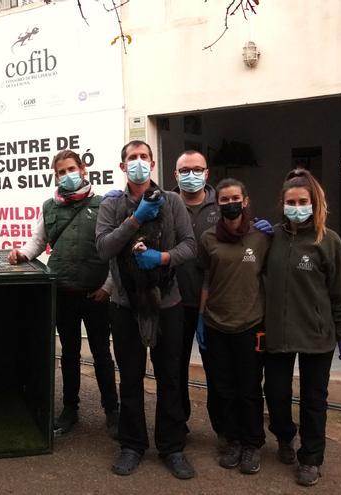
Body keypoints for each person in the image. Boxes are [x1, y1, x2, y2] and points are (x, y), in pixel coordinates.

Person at [96, 140, 197, 480]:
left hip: (167, 301)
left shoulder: (172, 201)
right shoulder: (112, 205)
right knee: (131, 376)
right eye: (131, 158)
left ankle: (172, 447)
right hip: (125, 304)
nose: (138, 162)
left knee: (170, 375)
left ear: (152, 163)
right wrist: (135, 220)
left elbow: (190, 245)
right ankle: (132, 445)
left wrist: (163, 258)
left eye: (143, 157)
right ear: (123, 167)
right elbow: (104, 248)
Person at [8, 149, 119, 437]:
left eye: (71, 169)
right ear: (55, 176)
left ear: (83, 169)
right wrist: (22, 254)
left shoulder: (104, 204)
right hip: (63, 293)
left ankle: (113, 411)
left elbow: (115, 251)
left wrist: (108, 287)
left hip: (96, 295)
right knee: (69, 355)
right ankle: (70, 409)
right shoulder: (50, 207)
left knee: (102, 355)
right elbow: (38, 242)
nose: (67, 175)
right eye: (60, 172)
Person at [263, 168, 341, 487]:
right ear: (282, 203)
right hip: (278, 331)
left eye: (303, 201)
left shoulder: (327, 241)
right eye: (291, 201)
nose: (297, 207)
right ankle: (285, 438)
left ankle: (311, 458)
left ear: (314, 203)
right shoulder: (271, 238)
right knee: (275, 392)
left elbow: (340, 291)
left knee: (314, 399)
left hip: (317, 333)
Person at [196, 177, 270, 475]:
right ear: (217, 204)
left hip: (251, 325)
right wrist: (202, 318)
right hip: (216, 325)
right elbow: (206, 279)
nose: (230, 204)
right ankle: (232, 441)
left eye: (235, 198)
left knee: (250, 388)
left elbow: (272, 276)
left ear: (246, 200)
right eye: (224, 200)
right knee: (223, 388)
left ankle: (253, 444)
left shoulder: (262, 237)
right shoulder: (208, 239)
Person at [170, 150, 223, 443]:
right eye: (185, 170)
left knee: (217, 370)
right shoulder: (166, 203)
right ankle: (178, 424)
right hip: (174, 303)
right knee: (174, 369)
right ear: (176, 175)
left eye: (197, 169)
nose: (191, 174)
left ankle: (223, 429)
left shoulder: (223, 204)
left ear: (207, 172)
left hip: (212, 305)